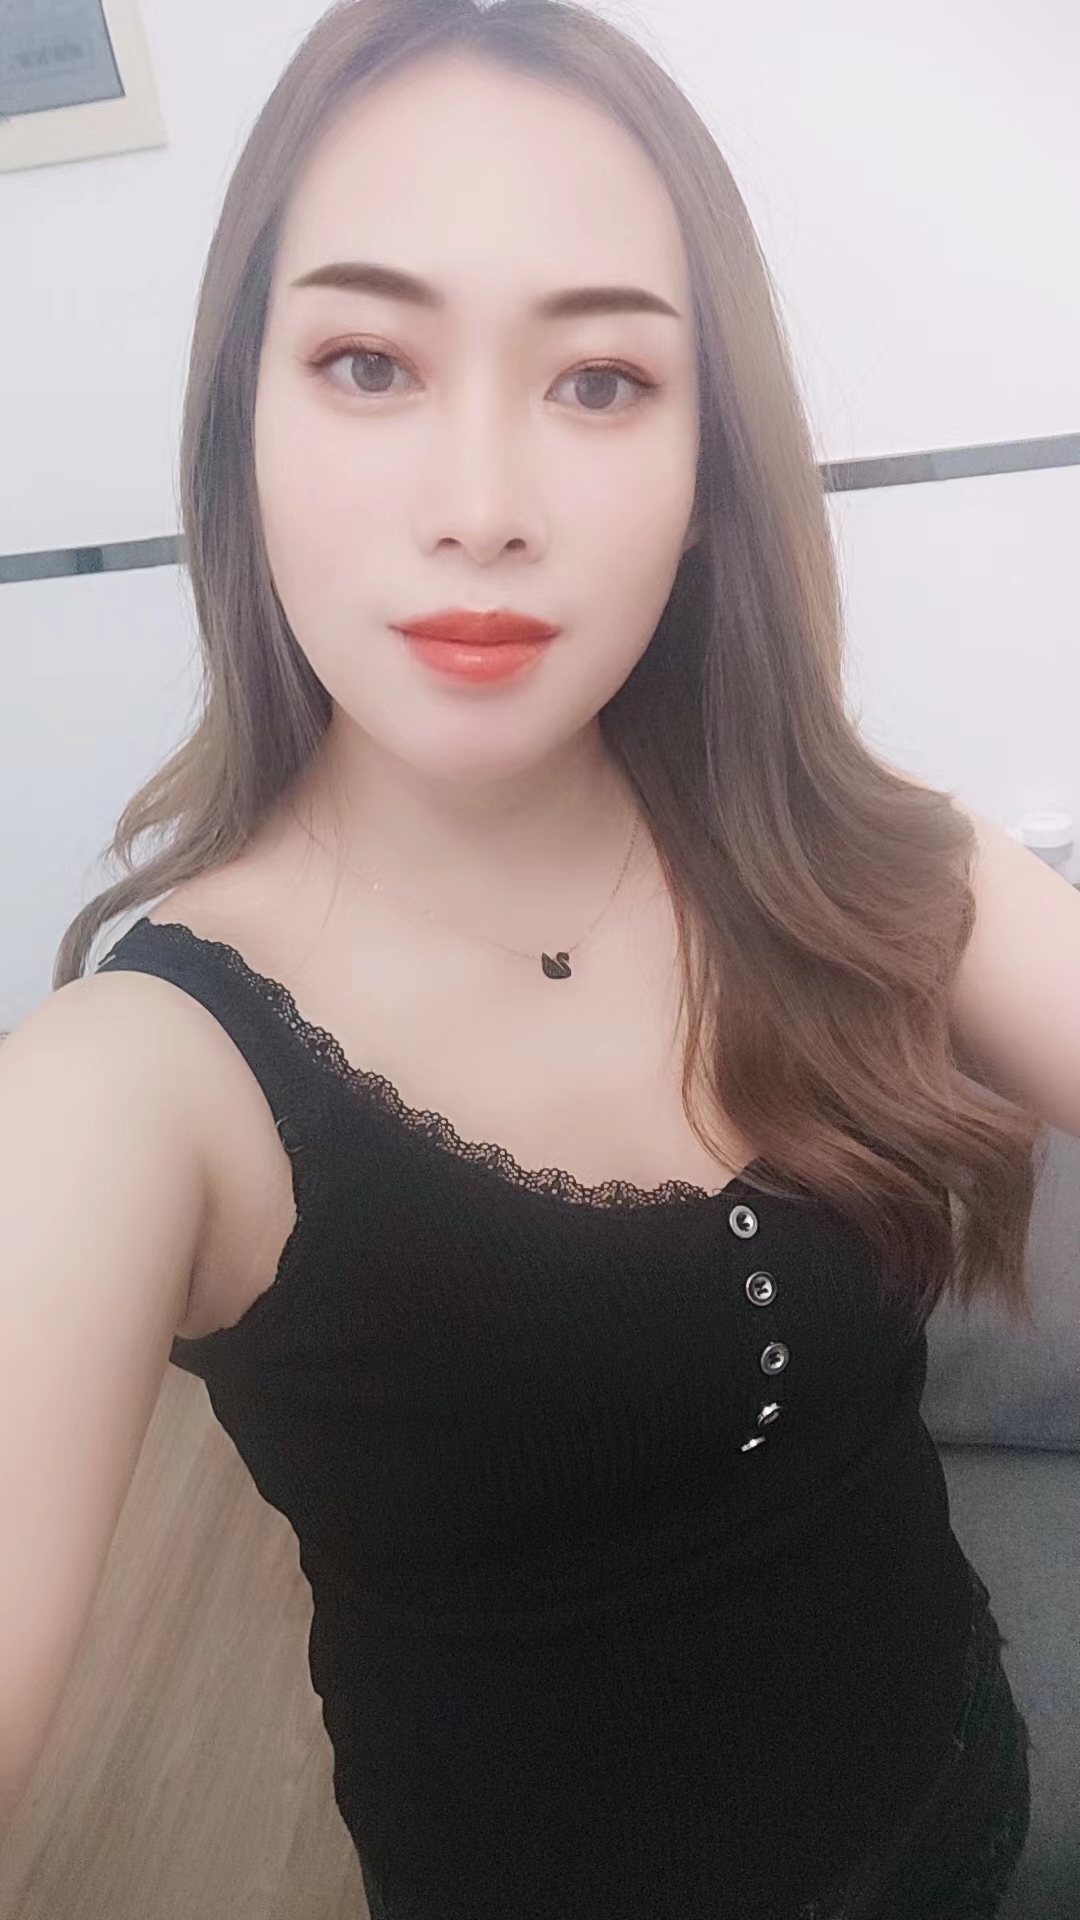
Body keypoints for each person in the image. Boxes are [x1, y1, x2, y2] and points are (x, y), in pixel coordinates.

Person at [1, 1, 1053, 1912]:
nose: (481, 506)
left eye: (600, 382)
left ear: (708, 471)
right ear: (242, 428)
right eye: (368, 362)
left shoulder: (856, 855)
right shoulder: (134, 1081)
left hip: (970, 1808)